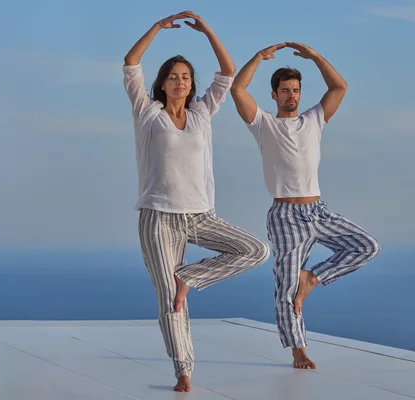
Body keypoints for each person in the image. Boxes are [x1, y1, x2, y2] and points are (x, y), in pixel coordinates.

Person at [123, 11, 269, 392]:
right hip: (158, 218)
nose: (180, 81)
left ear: (191, 84)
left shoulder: (203, 112)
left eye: (186, 77)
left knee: (255, 250)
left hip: (201, 215)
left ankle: (189, 277)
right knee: (171, 302)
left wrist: (207, 32)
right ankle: (183, 370)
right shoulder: (148, 114)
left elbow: (228, 70)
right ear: (163, 83)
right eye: (173, 76)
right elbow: (131, 63)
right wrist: (156, 27)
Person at [230, 42, 381, 370]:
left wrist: (314, 58)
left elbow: (339, 86)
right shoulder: (263, 124)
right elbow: (237, 88)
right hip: (286, 216)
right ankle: (299, 350)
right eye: (285, 91)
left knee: (367, 247)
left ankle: (312, 279)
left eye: (295, 90)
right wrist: (258, 57)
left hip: (318, 210)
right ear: (274, 95)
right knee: (285, 286)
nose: (291, 96)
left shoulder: (314, 119)